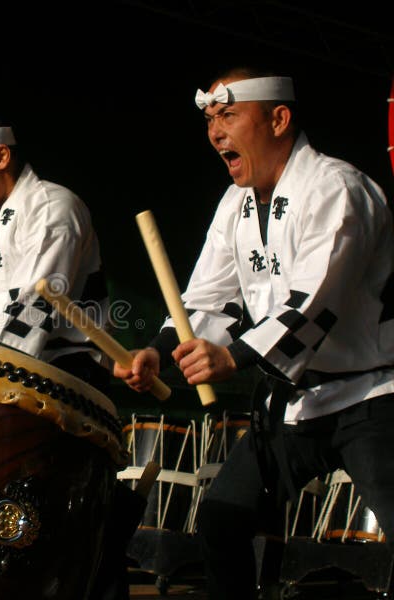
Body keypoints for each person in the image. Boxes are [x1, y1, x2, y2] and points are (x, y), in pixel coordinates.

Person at [115, 67, 394, 599]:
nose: (215, 132)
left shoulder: (336, 187)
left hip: (369, 396)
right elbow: (207, 298)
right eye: (209, 121)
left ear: (279, 119)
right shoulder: (235, 204)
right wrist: (158, 352)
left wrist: (233, 357)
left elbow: (313, 305)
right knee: (222, 518)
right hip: (291, 401)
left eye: (228, 115)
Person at [0, 115, 133, 599]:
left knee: (74, 524)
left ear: (1, 156)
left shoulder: (53, 206)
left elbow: (36, 307)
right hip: (19, 373)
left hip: (67, 378)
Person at [0, 114, 112, 391]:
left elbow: (38, 300)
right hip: (11, 362)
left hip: (70, 368)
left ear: (1, 157)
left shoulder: (52, 207)